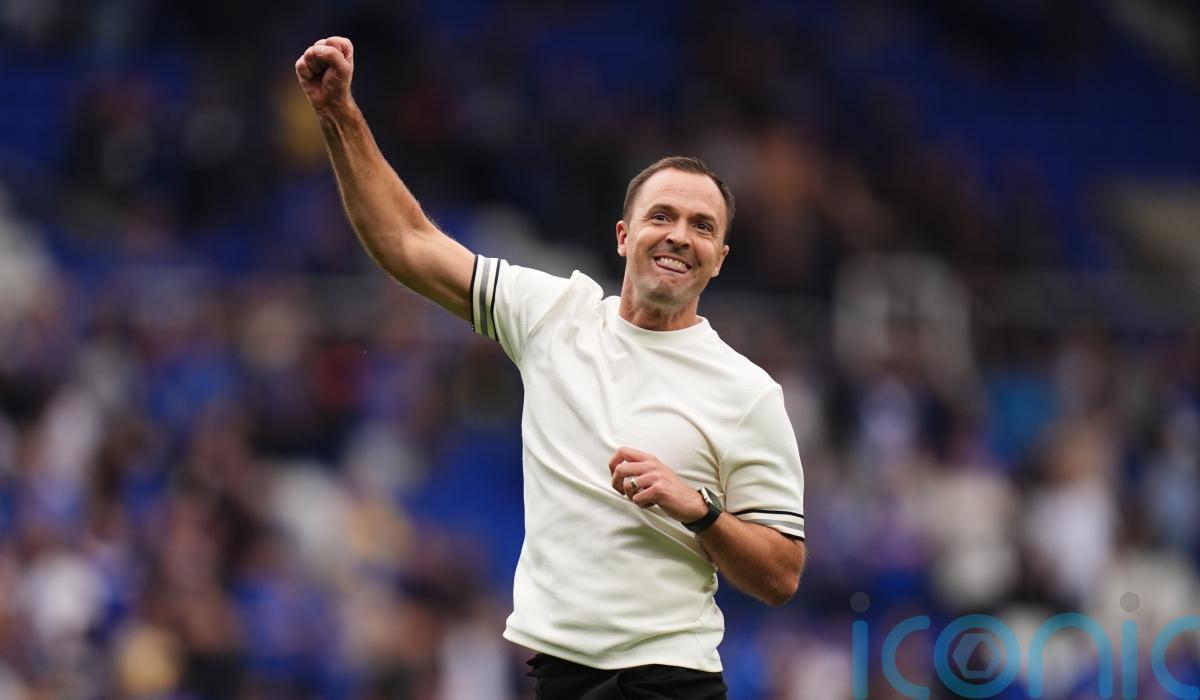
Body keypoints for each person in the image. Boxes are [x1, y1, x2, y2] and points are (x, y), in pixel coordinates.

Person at [295, 37, 806, 700]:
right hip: (557, 677)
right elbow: (408, 242)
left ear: (720, 258)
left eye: (702, 226)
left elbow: (781, 575)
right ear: (623, 235)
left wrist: (700, 511)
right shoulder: (554, 315)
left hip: (669, 681)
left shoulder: (747, 392)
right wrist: (339, 115)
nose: (680, 235)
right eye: (661, 216)